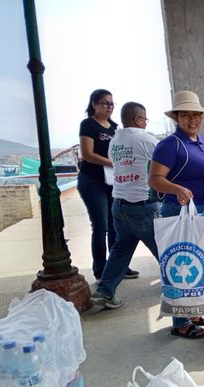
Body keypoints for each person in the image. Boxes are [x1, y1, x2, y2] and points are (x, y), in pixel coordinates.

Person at [148, 90, 204, 339]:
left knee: (202, 265)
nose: (192, 120)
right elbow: (155, 179)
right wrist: (177, 188)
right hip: (178, 211)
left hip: (203, 212)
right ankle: (180, 322)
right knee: (181, 265)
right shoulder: (169, 145)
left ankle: (194, 311)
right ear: (177, 118)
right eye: (186, 115)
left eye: (196, 115)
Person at [89, 102, 159, 310]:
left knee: (121, 249)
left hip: (119, 204)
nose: (145, 123)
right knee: (164, 248)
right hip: (142, 204)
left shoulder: (115, 141)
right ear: (137, 119)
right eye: (144, 119)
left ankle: (105, 291)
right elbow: (165, 164)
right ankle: (178, 284)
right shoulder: (147, 139)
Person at [78, 89, 139, 281]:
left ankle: (117, 266)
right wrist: (113, 163)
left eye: (112, 104)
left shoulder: (114, 127)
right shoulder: (88, 125)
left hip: (113, 182)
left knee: (116, 225)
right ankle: (101, 270)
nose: (109, 107)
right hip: (92, 180)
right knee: (100, 226)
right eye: (105, 103)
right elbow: (87, 154)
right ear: (94, 104)